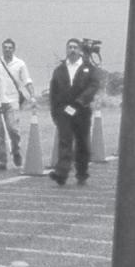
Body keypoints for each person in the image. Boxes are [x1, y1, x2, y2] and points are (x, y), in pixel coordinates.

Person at [48, 37, 98, 186]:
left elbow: (93, 86)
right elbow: (53, 92)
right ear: (66, 49)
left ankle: (82, 173)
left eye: (75, 47)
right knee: (65, 141)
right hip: (64, 111)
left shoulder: (88, 68)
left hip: (81, 111)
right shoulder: (59, 70)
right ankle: (61, 173)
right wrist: (55, 111)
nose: (72, 50)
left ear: (80, 50)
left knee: (82, 142)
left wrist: (81, 101)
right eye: (70, 47)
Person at [0, 38, 34, 170]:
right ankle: (2, 161)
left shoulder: (20, 64)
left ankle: (16, 150)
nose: (7, 50)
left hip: (12, 102)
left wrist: (32, 95)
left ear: (14, 49)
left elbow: (27, 80)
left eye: (10, 47)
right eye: (5, 47)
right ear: (2, 49)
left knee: (13, 129)